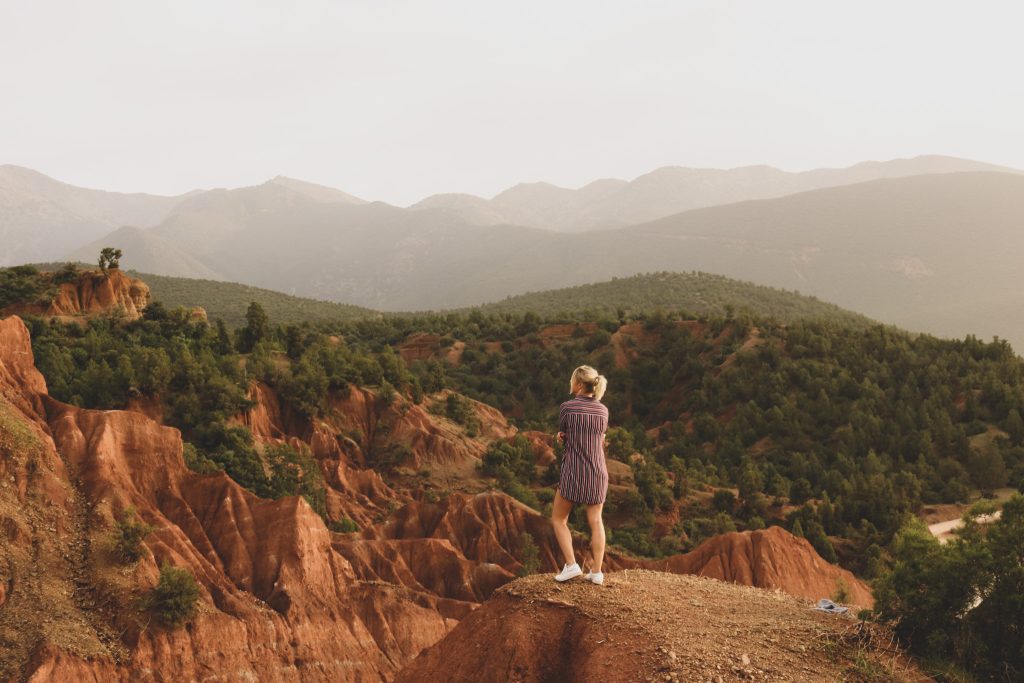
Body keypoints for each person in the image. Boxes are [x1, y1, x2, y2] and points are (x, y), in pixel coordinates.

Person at [551, 364, 609, 585]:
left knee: (559, 519)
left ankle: (572, 565)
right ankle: (596, 573)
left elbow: (564, 434)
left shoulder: (568, 407)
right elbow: (599, 440)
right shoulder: (603, 410)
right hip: (597, 472)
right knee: (595, 521)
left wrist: (562, 438)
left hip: (574, 471)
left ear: (576, 384)